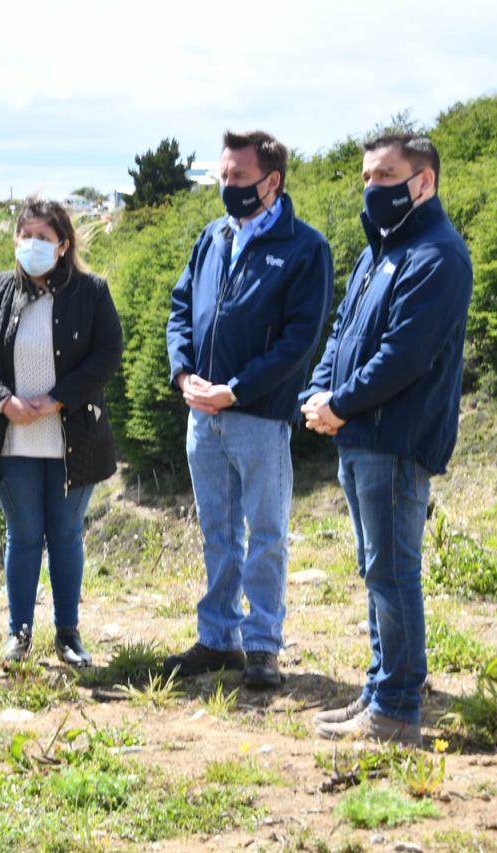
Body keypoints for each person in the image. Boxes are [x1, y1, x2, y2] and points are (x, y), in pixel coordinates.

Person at [302, 133, 472, 746]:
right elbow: (343, 333)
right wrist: (317, 395)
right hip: (360, 436)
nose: (373, 188)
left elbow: (404, 357)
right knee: (376, 569)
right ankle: (379, 688)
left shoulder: (438, 256)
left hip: (395, 441)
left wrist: (339, 405)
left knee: (394, 572)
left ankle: (398, 706)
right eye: (367, 177)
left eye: (386, 176)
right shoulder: (380, 252)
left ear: (423, 182)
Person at [163, 130, 334, 689]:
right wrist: (184, 371)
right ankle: (218, 639)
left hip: (258, 417)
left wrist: (234, 389)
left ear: (272, 181)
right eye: (223, 176)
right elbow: (181, 307)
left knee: (265, 533)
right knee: (217, 531)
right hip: (201, 415)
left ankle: (261, 644)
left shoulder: (305, 248)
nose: (227, 186)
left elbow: (298, 342)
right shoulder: (212, 237)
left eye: (238, 177)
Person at [0, 197, 122, 667]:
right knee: (25, 535)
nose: (33, 244)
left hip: (73, 438)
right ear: (15, 239)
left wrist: (57, 399)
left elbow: (107, 355)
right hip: (12, 438)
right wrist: (4, 401)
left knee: (66, 534)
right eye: (26, 235)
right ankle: (19, 634)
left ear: (63, 245)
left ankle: (68, 635)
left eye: (44, 238)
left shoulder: (92, 291)